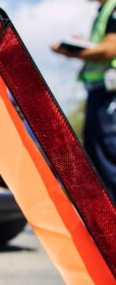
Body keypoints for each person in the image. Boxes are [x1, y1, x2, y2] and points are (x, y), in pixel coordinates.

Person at [52, 0, 116, 201]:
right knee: (97, 157)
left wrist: (72, 51)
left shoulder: (112, 8)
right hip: (101, 94)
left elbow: (110, 49)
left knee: (108, 156)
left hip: (109, 95)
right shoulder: (104, 11)